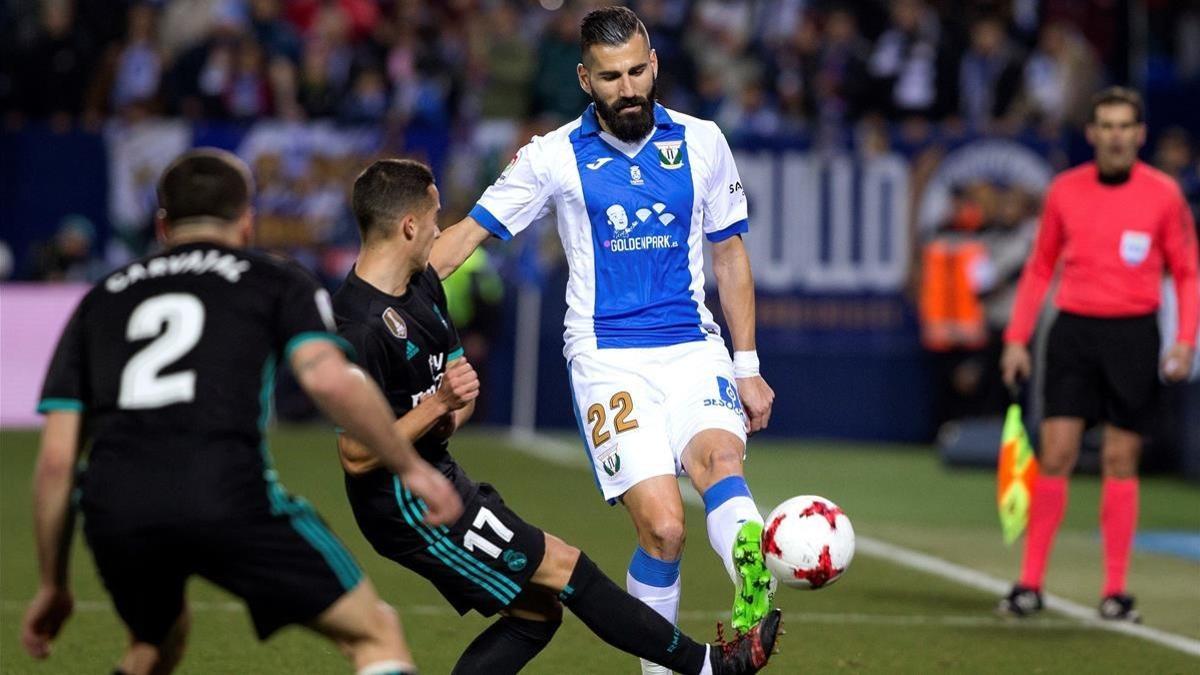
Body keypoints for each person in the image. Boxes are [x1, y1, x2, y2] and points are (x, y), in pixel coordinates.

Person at [19, 148, 462, 675]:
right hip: (226, 492)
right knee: (374, 633)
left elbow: (55, 463)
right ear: (246, 220)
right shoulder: (273, 279)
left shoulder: (101, 298)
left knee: (153, 646)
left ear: (162, 225)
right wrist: (411, 467)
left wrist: (53, 584)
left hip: (117, 505)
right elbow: (327, 377)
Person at [334, 158, 781, 675]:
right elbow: (356, 453)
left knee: (536, 613)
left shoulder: (422, 286)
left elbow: (459, 390)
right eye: (435, 217)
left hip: (439, 477)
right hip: (404, 505)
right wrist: (438, 406)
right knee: (567, 568)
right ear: (409, 226)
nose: (440, 228)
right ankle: (710, 665)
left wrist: (449, 410)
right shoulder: (360, 326)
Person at [430, 8, 777, 672]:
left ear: (655, 65)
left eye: (639, 71)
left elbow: (729, 255)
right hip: (608, 360)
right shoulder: (552, 156)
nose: (629, 88)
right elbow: (464, 241)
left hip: (690, 345)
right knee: (665, 527)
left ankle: (755, 588)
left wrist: (747, 363)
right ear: (586, 80)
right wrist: (386, 285)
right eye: (612, 77)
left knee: (720, 465)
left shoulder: (703, 142)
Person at [998, 87, 1199, 622]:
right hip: (1075, 333)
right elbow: (1041, 266)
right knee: (1057, 452)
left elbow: (1186, 271)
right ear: (1092, 133)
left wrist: (1186, 341)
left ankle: (1115, 592)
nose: (1114, 135)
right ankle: (1030, 583)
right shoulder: (1065, 191)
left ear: (1140, 134)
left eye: (1123, 126)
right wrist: (1017, 339)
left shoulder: (1164, 195)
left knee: (1120, 459)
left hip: (1134, 335)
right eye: (1105, 126)